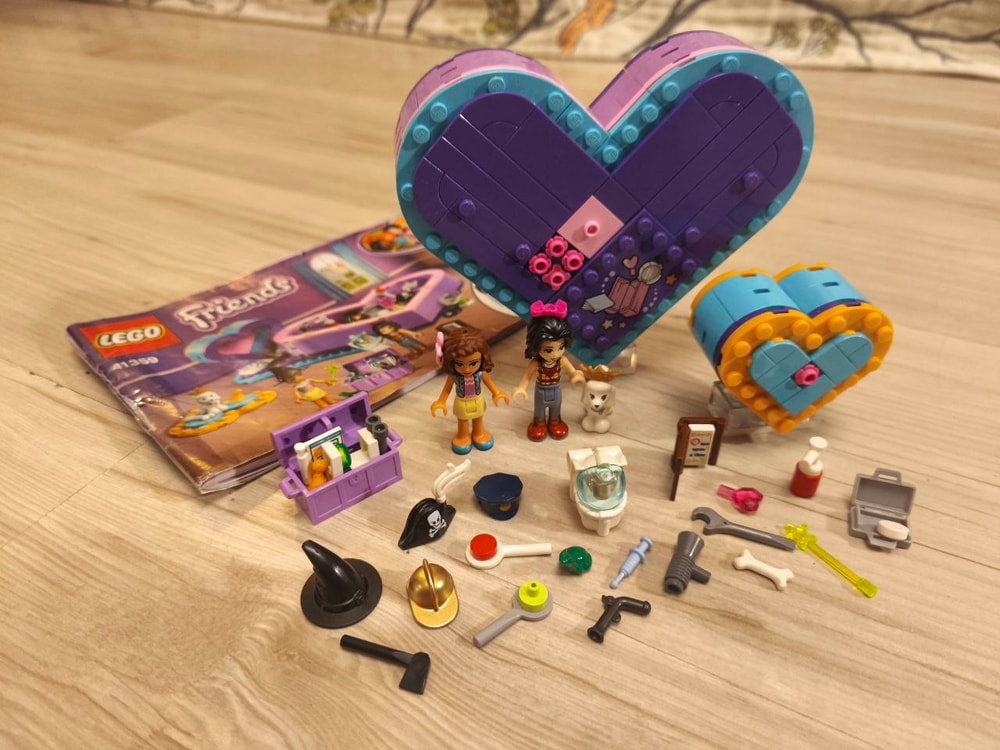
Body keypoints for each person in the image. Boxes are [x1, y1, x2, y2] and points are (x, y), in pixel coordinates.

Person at [513, 300, 585, 441]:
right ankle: (538, 423)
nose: (555, 354)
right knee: (539, 409)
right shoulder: (536, 363)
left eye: (560, 348)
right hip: (541, 390)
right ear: (536, 346)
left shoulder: (562, 361)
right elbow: (527, 376)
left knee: (556, 408)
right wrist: (521, 388)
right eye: (548, 350)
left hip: (556, 389)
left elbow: (572, 371)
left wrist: (575, 375)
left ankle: (555, 421)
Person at [431, 330, 509, 454]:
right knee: (462, 420)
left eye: (473, 363)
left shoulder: (480, 373)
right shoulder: (454, 376)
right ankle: (463, 436)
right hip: (461, 402)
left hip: (477, 400)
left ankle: (479, 433)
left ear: (482, 359)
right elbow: (447, 388)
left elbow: (489, 383)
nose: (467, 370)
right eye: (460, 364)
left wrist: (496, 393)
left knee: (478, 417)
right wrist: (441, 401)